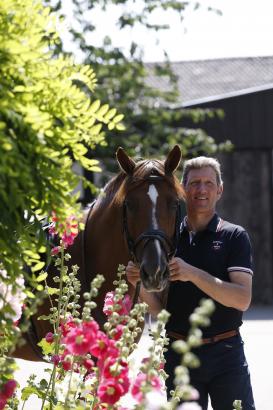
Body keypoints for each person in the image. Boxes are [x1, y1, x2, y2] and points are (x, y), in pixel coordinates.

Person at [126, 156, 255, 410]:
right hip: (179, 353)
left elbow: (242, 299)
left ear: (220, 190)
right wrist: (136, 285)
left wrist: (193, 273)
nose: (202, 189)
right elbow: (161, 311)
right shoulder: (168, 241)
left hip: (226, 353)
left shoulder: (234, 236)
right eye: (194, 183)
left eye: (208, 183)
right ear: (183, 190)